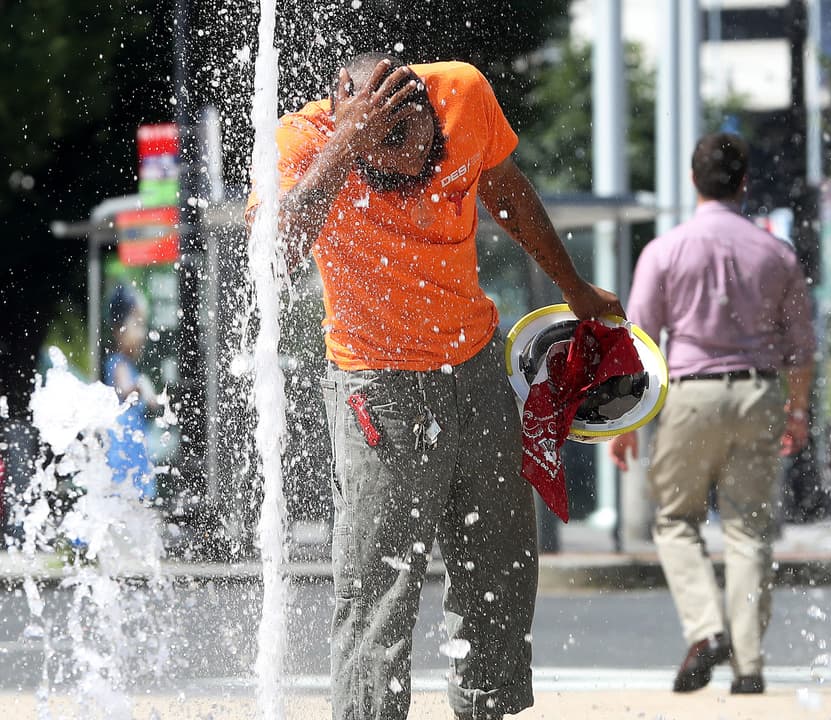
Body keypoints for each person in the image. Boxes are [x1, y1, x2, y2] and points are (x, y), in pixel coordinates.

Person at [247, 53, 621, 720]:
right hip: (377, 394)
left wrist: (575, 288)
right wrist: (343, 147)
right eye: (390, 169)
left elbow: (504, 188)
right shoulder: (302, 146)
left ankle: (487, 709)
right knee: (377, 596)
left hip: (473, 371)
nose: (417, 182)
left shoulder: (465, 93)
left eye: (425, 155)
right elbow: (271, 257)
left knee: (500, 579)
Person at [609, 132, 816, 696]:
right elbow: (801, 346)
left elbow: (642, 342)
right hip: (759, 393)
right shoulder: (776, 253)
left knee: (676, 521)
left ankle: (706, 629)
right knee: (749, 529)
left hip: (690, 394)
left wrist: (626, 424)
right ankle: (748, 666)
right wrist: (796, 411)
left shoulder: (666, 250)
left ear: (694, 181)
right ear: (744, 182)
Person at [102, 285, 159, 501]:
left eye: (143, 325)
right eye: (137, 324)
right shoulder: (119, 365)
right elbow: (125, 390)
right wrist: (141, 386)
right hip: (123, 452)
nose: (142, 333)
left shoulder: (128, 367)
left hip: (132, 449)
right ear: (119, 329)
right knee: (126, 501)